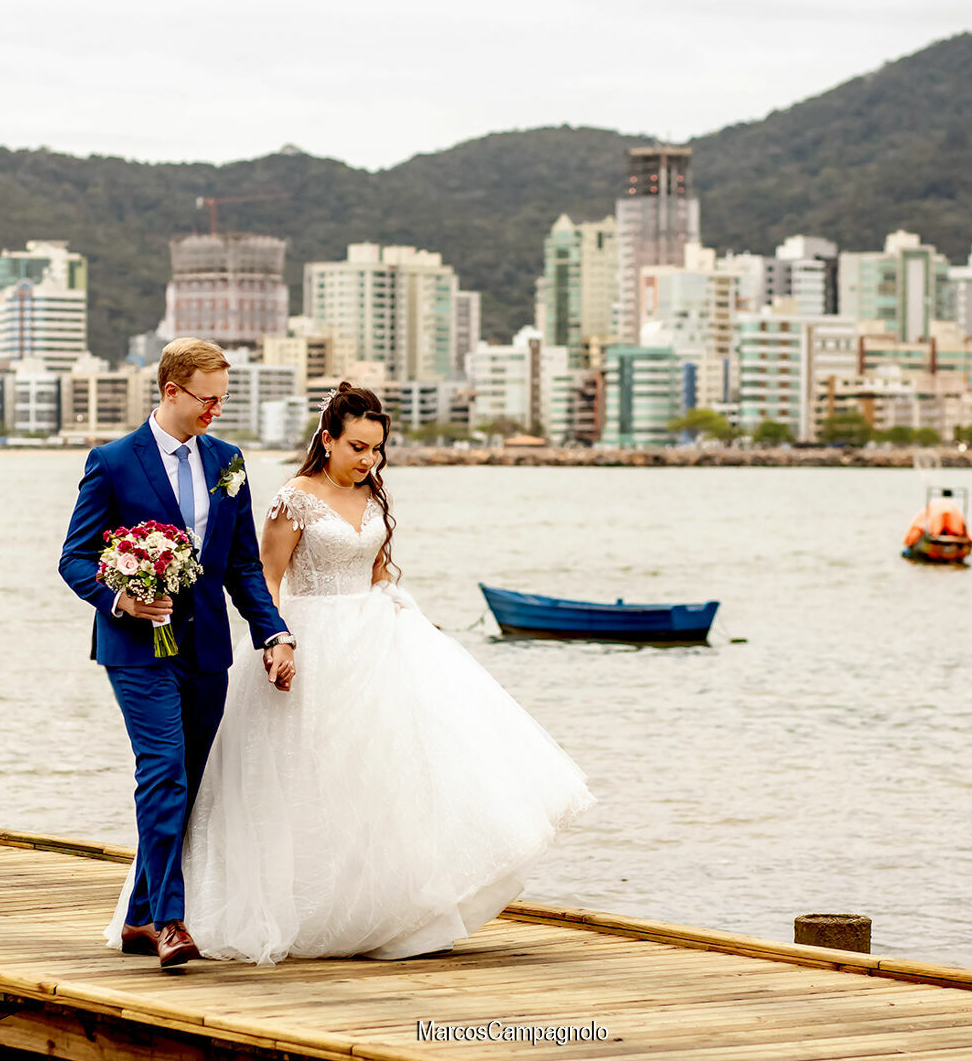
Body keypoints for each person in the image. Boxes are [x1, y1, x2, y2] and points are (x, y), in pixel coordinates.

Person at [105, 382, 593, 965]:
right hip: (311, 640)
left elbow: (380, 573)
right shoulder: (294, 499)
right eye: (358, 447)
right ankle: (219, 911)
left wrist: (412, 619)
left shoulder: (374, 497)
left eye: (377, 449)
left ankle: (384, 908)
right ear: (328, 440)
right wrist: (277, 641)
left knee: (384, 774)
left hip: (375, 642)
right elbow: (266, 576)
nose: (369, 459)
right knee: (297, 776)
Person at [61, 338, 297, 969]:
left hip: (207, 648)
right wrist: (120, 597)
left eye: (224, 398)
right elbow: (74, 557)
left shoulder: (228, 461)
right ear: (172, 391)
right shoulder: (113, 461)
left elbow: (243, 566)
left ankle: (139, 916)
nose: (217, 409)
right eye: (208, 398)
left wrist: (273, 633)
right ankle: (171, 921)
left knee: (186, 784)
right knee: (163, 770)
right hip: (136, 648)